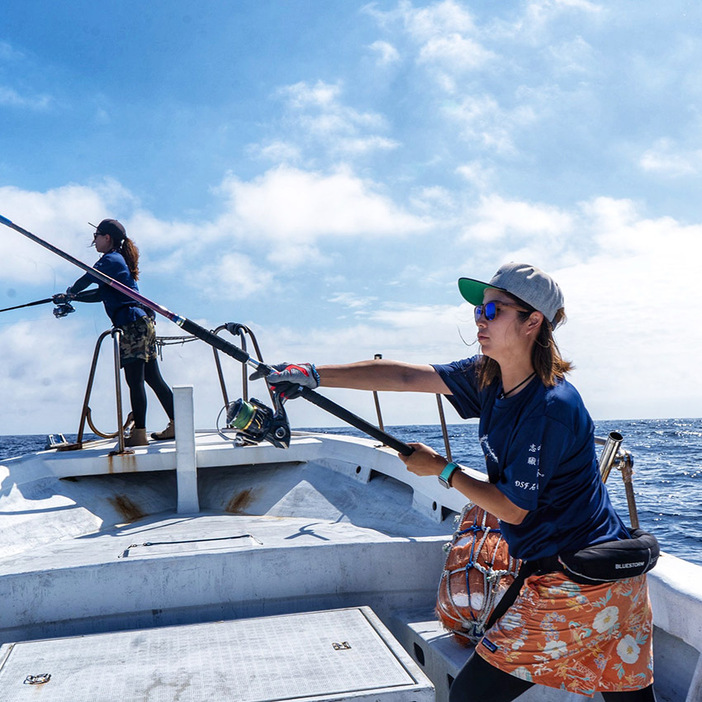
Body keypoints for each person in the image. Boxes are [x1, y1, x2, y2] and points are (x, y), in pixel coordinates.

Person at [254, 262, 656, 701]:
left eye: (493, 309)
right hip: (602, 581)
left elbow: (511, 509)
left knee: (470, 697)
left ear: (532, 321)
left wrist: (443, 470)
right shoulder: (488, 374)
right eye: (479, 309)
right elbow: (407, 376)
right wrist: (313, 375)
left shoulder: (550, 405)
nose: (479, 318)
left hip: (575, 584)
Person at [61, 219, 175, 447]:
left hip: (132, 324)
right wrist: (73, 298)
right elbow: (101, 293)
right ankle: (177, 423)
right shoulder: (116, 261)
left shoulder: (110, 260)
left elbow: (88, 277)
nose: (94, 241)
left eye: (96, 236)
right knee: (152, 378)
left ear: (107, 238)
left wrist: (71, 291)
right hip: (142, 323)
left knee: (135, 380)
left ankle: (140, 433)